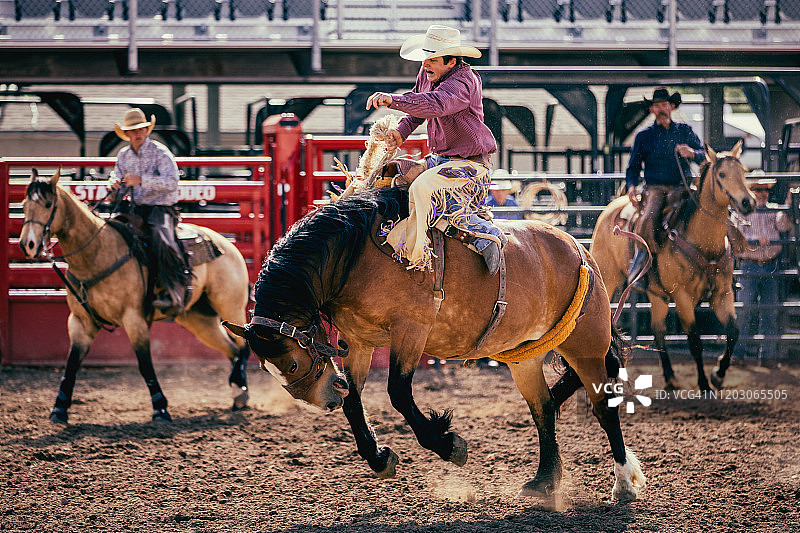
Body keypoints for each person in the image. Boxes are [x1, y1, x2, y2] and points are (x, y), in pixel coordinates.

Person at [365, 24, 504, 275]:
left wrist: (393, 100)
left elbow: (436, 104)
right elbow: (419, 104)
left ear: (451, 62)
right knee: (391, 175)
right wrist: (401, 131)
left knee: (422, 187)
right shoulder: (427, 74)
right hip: (440, 160)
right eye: (425, 57)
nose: (426, 63)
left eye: (433, 59)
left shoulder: (464, 81)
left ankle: (484, 233)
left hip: (469, 166)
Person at [108, 108, 186, 314]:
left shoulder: (160, 152)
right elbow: (117, 180)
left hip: (161, 207)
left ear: (147, 130)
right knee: (112, 233)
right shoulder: (123, 156)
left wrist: (142, 180)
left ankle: (172, 291)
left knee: (162, 238)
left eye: (141, 129)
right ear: (127, 134)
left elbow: (172, 182)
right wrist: (114, 186)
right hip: (136, 207)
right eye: (133, 130)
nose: (138, 133)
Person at [625, 87, 706, 283]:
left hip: (684, 186)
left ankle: (718, 262)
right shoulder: (643, 136)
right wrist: (631, 187)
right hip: (656, 188)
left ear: (671, 107)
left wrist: (692, 153)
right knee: (648, 218)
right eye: (657, 106)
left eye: (664, 105)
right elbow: (633, 167)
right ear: (652, 110)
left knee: (708, 211)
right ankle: (642, 261)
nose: (661, 109)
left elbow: (704, 155)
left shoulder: (685, 131)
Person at [733, 177, 794, 364]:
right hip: (750, 264)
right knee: (744, 312)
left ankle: (767, 357)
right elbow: (736, 232)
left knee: (769, 313)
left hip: (770, 264)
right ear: (752, 191)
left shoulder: (774, 210)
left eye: (765, 190)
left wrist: (788, 204)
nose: (762, 194)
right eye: (759, 190)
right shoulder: (742, 211)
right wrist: (754, 238)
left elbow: (783, 224)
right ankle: (738, 354)